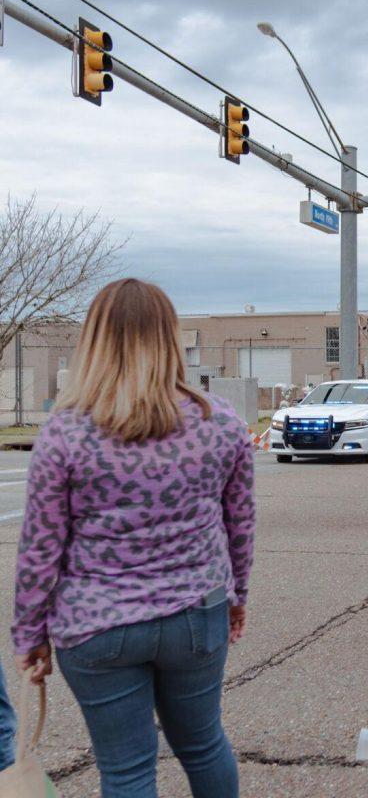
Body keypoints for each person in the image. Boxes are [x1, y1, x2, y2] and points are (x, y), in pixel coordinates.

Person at [12, 279, 254, 796]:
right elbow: (240, 524)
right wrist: (237, 597)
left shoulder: (66, 430)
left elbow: (40, 546)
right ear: (169, 337)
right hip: (197, 612)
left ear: (94, 339)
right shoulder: (221, 421)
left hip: (98, 624)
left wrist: (29, 634)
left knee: (126, 771)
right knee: (205, 744)